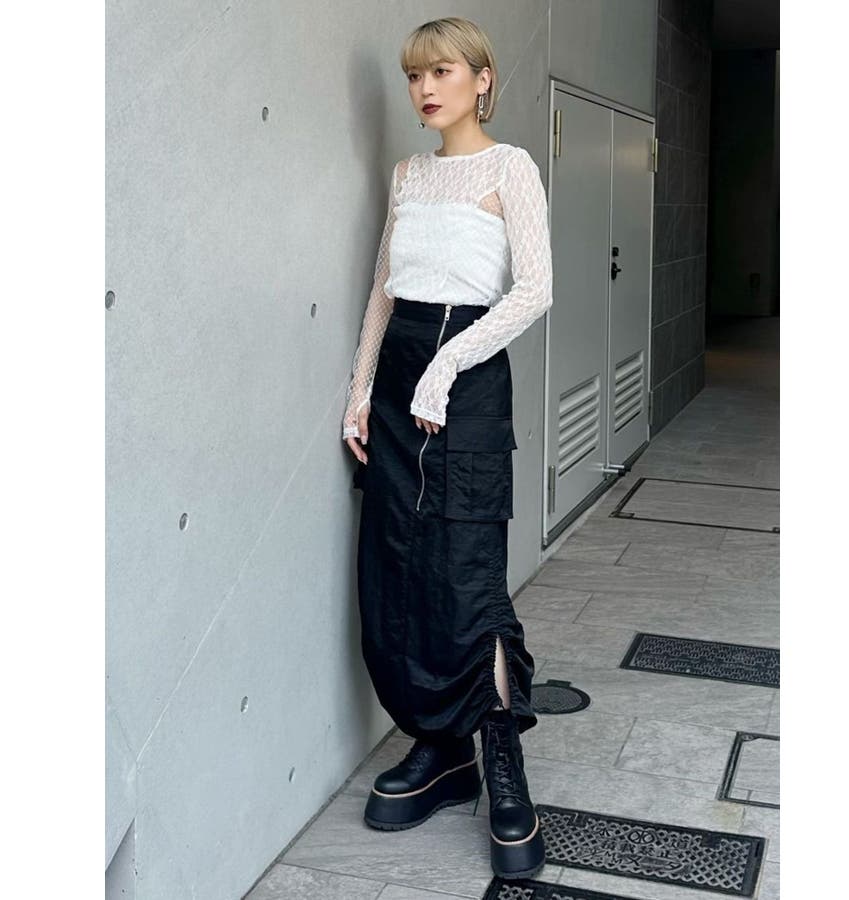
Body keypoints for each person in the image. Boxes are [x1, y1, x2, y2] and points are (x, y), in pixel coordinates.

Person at [341, 16, 553, 881]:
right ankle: (439, 745)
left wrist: (447, 365)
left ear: (482, 79)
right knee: (398, 567)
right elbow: (386, 291)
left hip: (467, 380)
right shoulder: (408, 174)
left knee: (468, 576)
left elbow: (535, 291)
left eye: (443, 71)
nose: (426, 89)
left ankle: (501, 759)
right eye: (414, 76)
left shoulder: (511, 169)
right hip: (399, 385)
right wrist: (361, 389)